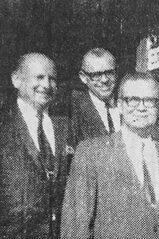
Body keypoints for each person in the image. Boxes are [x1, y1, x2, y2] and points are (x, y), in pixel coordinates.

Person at [61, 72, 159, 239]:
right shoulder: (91, 153)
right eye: (133, 100)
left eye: (150, 100)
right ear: (120, 106)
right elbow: (75, 228)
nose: (141, 107)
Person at [0, 53, 74, 238]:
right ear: (16, 80)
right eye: (39, 77)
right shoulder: (4, 126)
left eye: (52, 79)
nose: (47, 85)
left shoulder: (65, 125)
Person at [70, 48, 121, 144]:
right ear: (83, 77)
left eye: (109, 73)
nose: (105, 80)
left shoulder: (128, 104)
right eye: (96, 75)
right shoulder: (75, 114)